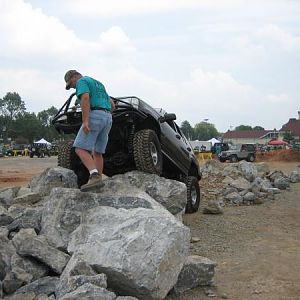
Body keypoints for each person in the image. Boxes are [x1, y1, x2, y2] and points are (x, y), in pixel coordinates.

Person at [64, 70, 115, 191]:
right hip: (107, 117)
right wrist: (105, 115)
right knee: (97, 152)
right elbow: (112, 104)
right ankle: (98, 182)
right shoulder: (98, 84)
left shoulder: (82, 81)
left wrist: (86, 120)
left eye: (71, 84)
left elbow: (85, 98)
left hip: (95, 115)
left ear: (74, 77)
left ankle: (94, 175)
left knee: (79, 148)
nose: (72, 87)